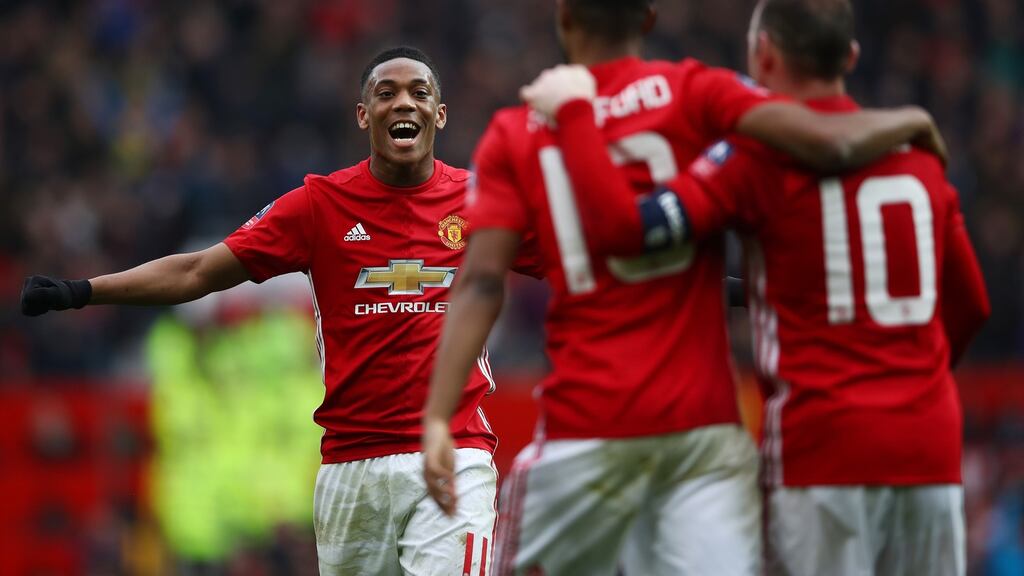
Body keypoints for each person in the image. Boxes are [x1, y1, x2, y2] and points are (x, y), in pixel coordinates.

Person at [421, 1, 947, 574]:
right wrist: (912, 120)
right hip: (702, 433)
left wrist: (437, 418)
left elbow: (479, 285)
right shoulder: (695, 92)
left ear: (564, 18)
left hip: (586, 427)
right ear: (649, 19)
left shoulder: (514, 130)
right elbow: (828, 139)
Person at [21, 46, 533, 576]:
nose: (404, 103)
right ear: (364, 115)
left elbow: (578, 251)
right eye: (386, 93)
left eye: (419, 93)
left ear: (440, 114)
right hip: (350, 469)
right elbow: (198, 271)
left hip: (453, 452)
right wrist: (83, 291)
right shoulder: (318, 205)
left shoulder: (481, 202)